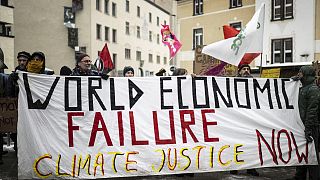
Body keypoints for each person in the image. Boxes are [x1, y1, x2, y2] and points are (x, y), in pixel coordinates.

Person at [230, 63, 259, 176]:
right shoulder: (232, 82)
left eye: (248, 69)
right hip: (237, 118)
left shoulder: (255, 83)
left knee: (251, 143)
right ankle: (235, 166)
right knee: (236, 143)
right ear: (239, 71)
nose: (246, 71)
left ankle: (251, 167)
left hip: (250, 118)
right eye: (244, 69)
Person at [291, 65, 320, 180]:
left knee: (312, 154)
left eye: (300, 73)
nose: (299, 74)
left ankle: (314, 177)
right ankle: (300, 176)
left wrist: (308, 128)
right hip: (302, 125)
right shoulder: (304, 87)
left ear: (306, 74)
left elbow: (312, 110)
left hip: (310, 126)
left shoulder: (313, 89)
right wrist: (291, 83)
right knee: (302, 152)